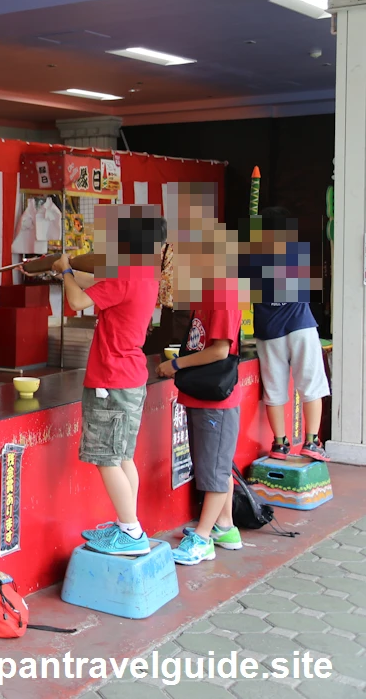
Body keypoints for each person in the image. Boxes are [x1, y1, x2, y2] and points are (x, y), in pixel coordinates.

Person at [54, 205, 165, 557]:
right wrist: (66, 270)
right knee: (123, 456)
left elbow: (75, 300)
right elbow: (97, 286)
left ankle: (130, 532)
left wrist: (66, 270)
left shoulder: (126, 275)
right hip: (129, 379)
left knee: (106, 457)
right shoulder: (144, 274)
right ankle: (127, 524)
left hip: (111, 381)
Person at [159, 185, 245, 564]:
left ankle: (204, 539)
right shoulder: (207, 291)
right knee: (213, 465)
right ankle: (225, 526)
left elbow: (220, 349)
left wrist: (175, 364)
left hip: (217, 400)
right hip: (202, 396)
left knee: (213, 470)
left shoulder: (224, 290)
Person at [244, 207, 329, 461]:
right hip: (300, 325)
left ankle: (279, 443)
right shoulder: (296, 250)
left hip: (269, 332)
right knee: (311, 385)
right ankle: (312, 442)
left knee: (274, 390)